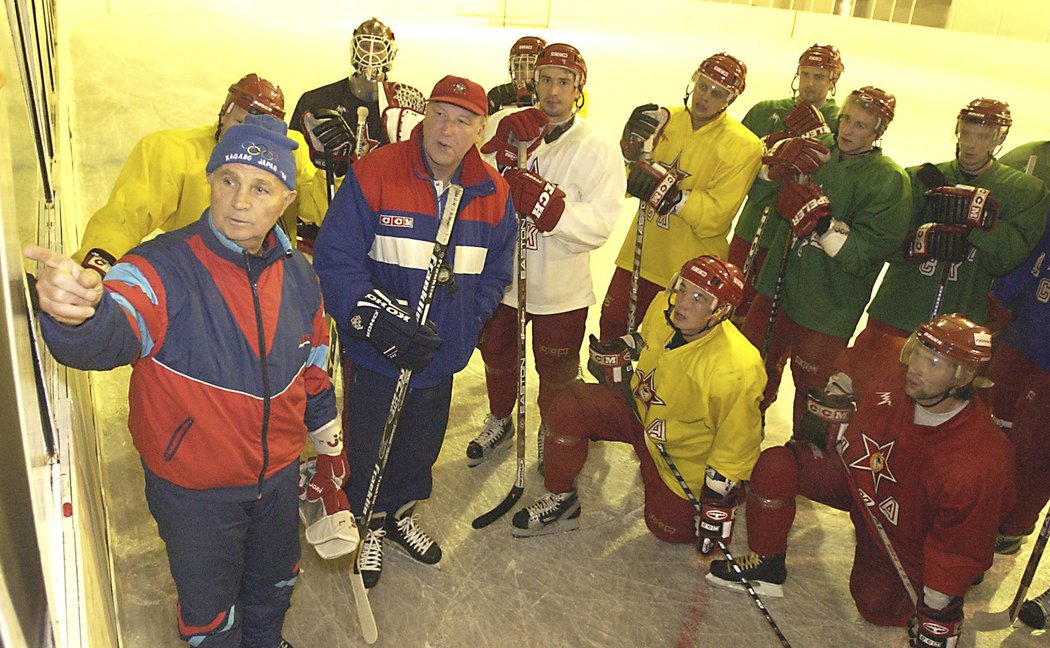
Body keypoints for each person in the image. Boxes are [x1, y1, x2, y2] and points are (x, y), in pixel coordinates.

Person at [25, 115, 346, 647]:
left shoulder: (300, 276)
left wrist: (331, 450)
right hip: (196, 491)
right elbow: (112, 330)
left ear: (286, 200)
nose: (239, 201)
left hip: (277, 478)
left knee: (275, 583)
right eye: (228, 180)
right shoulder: (157, 268)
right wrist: (77, 315)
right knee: (210, 612)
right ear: (210, 181)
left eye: (260, 187)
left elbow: (313, 368)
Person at [312, 75, 515, 589]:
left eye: (462, 120)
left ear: (480, 129)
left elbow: (496, 270)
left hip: (439, 356)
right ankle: (369, 520)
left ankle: (398, 511)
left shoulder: (492, 191)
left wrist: (466, 327)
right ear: (425, 116)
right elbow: (335, 261)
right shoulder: (377, 171)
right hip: (377, 353)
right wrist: (375, 322)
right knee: (369, 442)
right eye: (439, 114)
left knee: (420, 443)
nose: (447, 129)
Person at [708, 314, 1015, 648]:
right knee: (778, 464)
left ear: (963, 376)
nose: (916, 367)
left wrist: (939, 606)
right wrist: (841, 382)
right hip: (860, 482)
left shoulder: (979, 460)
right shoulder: (902, 379)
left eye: (933, 363)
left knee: (876, 605)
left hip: (905, 536)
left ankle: (938, 607)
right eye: (918, 352)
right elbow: (865, 350)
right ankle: (766, 564)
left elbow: (962, 545)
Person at [511, 256, 766, 550]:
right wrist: (624, 345)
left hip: (679, 453)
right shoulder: (663, 306)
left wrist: (718, 499)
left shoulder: (737, 368)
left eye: (699, 298)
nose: (683, 302)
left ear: (719, 311)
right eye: (683, 288)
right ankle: (561, 498)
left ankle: (723, 497)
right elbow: (647, 339)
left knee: (668, 528)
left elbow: (737, 443)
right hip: (637, 410)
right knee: (569, 404)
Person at [468, 42, 626, 471]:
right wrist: (491, 163)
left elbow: (601, 223)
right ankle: (501, 418)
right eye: (545, 79)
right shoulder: (505, 124)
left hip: (561, 288)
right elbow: (463, 185)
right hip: (501, 278)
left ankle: (552, 427)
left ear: (578, 88)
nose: (552, 91)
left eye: (564, 81)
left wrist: (548, 208)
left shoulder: (598, 146)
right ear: (532, 81)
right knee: (497, 354)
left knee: (557, 370)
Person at [843, 98, 1049, 397]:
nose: (971, 144)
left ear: (1000, 138)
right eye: (966, 133)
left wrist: (979, 224)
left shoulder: (1026, 192)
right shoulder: (917, 177)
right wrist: (918, 243)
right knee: (868, 394)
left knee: (935, 407)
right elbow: (884, 243)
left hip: (960, 325)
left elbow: (1008, 259)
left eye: (982, 136)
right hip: (898, 311)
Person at [739, 86, 911, 427]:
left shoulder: (890, 180)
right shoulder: (815, 150)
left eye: (861, 125)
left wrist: (823, 227)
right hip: (776, 287)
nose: (847, 130)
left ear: (879, 131)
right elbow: (759, 195)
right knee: (747, 373)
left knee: (813, 396)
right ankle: (735, 445)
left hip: (828, 309)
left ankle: (801, 461)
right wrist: (771, 168)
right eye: (846, 118)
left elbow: (870, 255)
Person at [74, 73, 323, 275]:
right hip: (200, 282)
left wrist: (329, 168)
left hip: (270, 281)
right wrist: (99, 264)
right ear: (224, 113)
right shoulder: (174, 153)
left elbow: (321, 211)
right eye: (240, 123)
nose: (246, 139)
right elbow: (125, 216)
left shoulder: (290, 153)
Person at [599, 52, 762, 340]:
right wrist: (628, 157)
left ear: (731, 99)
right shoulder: (663, 120)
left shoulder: (744, 145)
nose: (705, 97)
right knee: (611, 331)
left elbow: (717, 215)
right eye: (702, 85)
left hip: (694, 272)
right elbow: (626, 184)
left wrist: (675, 199)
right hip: (639, 255)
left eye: (717, 92)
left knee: (667, 349)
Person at [728, 43, 845, 320]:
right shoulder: (765, 111)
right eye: (805, 74)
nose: (809, 84)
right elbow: (735, 162)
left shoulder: (841, 124)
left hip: (790, 236)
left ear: (833, 80)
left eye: (819, 76)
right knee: (729, 301)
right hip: (750, 226)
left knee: (763, 315)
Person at [289, 17, 425, 180]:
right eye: (365, 46)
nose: (370, 54)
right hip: (327, 195)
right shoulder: (315, 101)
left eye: (379, 48)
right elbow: (295, 160)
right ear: (354, 49)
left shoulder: (403, 108)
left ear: (390, 53)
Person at [486, 35, 546, 115]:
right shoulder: (499, 95)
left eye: (531, 67)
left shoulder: (552, 98)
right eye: (518, 66)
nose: (525, 74)